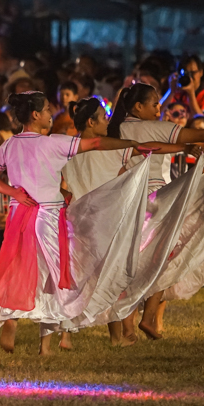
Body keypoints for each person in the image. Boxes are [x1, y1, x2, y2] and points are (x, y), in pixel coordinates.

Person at [0, 91, 152, 355]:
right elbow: (94, 144)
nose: (50, 114)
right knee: (53, 278)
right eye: (47, 109)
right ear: (36, 115)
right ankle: (45, 344)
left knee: (19, 269)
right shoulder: (53, 143)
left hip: (18, 215)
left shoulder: (10, 144)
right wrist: (131, 144)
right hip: (47, 216)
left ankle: (10, 320)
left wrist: (14, 193)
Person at [108, 82, 204, 339]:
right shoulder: (153, 127)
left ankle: (127, 329)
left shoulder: (116, 128)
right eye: (155, 104)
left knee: (128, 263)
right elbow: (201, 137)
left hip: (124, 200)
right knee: (163, 257)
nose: (159, 108)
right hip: (155, 201)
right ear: (139, 107)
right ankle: (148, 318)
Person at [61, 97, 185, 346]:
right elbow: (148, 148)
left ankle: (65, 336)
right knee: (112, 279)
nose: (108, 121)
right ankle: (118, 336)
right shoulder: (111, 148)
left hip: (76, 220)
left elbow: (61, 184)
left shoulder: (65, 147)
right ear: (90, 122)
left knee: (75, 280)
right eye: (103, 118)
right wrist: (183, 148)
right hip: (105, 220)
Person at [167, 56, 204, 120]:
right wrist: (171, 91)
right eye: (186, 73)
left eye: (192, 73)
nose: (189, 77)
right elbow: (158, 114)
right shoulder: (177, 93)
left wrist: (191, 94)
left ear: (201, 72)